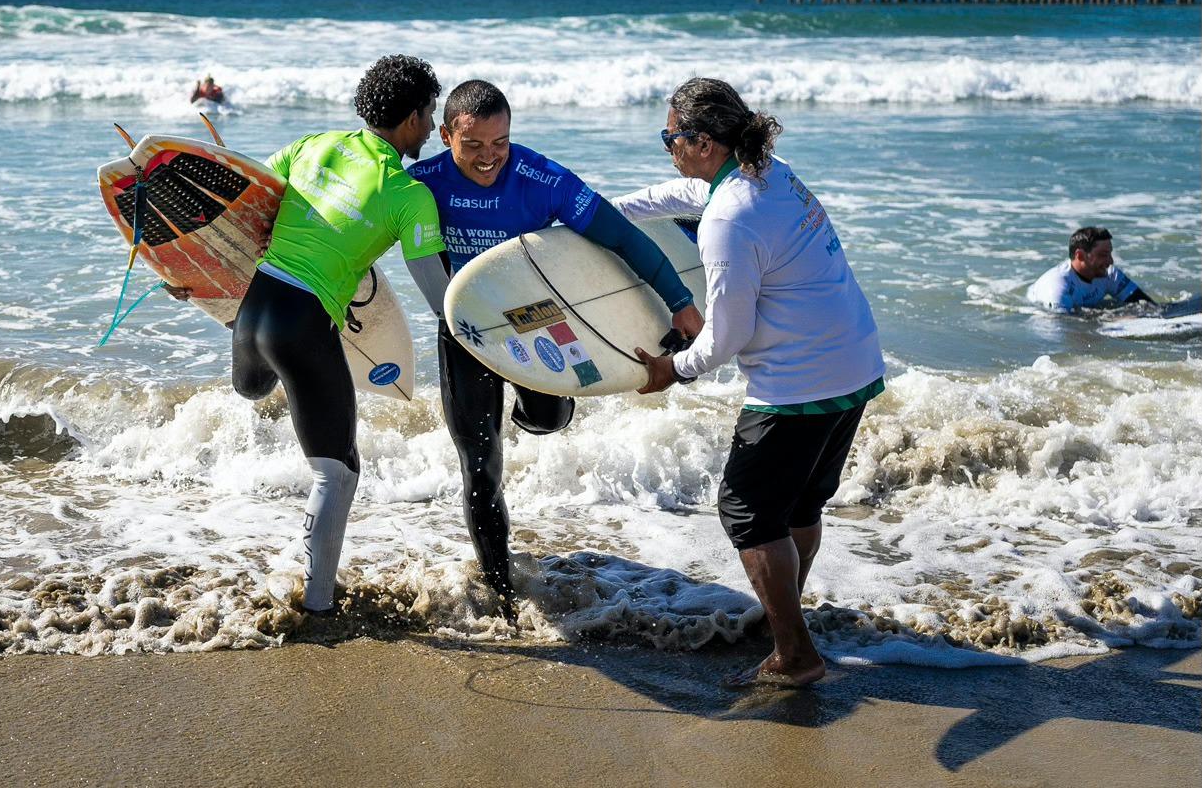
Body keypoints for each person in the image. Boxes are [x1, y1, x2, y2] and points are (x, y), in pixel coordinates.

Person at [617, 78, 884, 688]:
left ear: (704, 141)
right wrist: (611, 212)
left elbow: (725, 338)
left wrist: (670, 371)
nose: (667, 147)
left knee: (746, 512)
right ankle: (785, 614)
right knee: (798, 504)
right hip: (853, 363)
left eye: (670, 137)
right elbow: (689, 191)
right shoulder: (769, 171)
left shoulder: (728, 222)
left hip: (799, 383)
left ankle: (795, 654)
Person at [406, 79, 703, 613]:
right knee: (479, 463)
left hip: (537, 325)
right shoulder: (421, 184)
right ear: (445, 134)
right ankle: (500, 589)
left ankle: (536, 407)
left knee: (547, 418)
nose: (489, 158)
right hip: (466, 331)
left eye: (500, 143)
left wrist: (678, 300)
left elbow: (621, 236)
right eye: (472, 145)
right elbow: (360, 238)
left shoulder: (540, 178)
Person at [168, 55, 450, 614]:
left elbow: (246, 210)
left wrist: (194, 275)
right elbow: (439, 296)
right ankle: (318, 604)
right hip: (302, 324)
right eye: (430, 114)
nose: (432, 125)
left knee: (253, 392)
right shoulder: (409, 195)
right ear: (414, 118)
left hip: (251, 313)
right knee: (338, 469)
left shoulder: (312, 145)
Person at [1027, 227, 1153, 312]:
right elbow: (1063, 329)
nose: (1111, 262)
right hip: (1040, 312)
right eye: (1103, 255)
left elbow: (1149, 307)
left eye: (1110, 254)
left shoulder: (1109, 274)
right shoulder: (1057, 287)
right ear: (1080, 256)